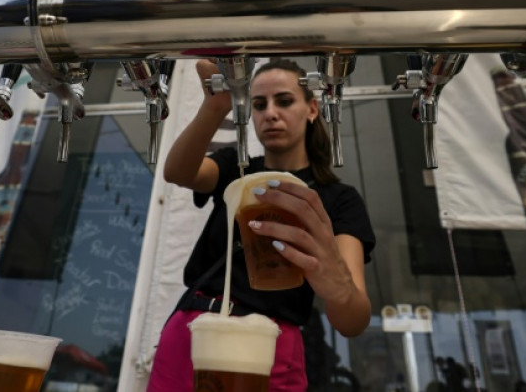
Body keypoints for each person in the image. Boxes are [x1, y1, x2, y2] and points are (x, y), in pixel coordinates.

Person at [147, 58, 376, 391]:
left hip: (268, 344)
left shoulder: (338, 199)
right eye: (258, 104)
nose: (270, 113)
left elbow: (353, 321)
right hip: (194, 330)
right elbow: (178, 172)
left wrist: (339, 288)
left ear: (312, 108)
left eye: (284, 101)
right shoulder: (236, 168)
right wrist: (216, 106)